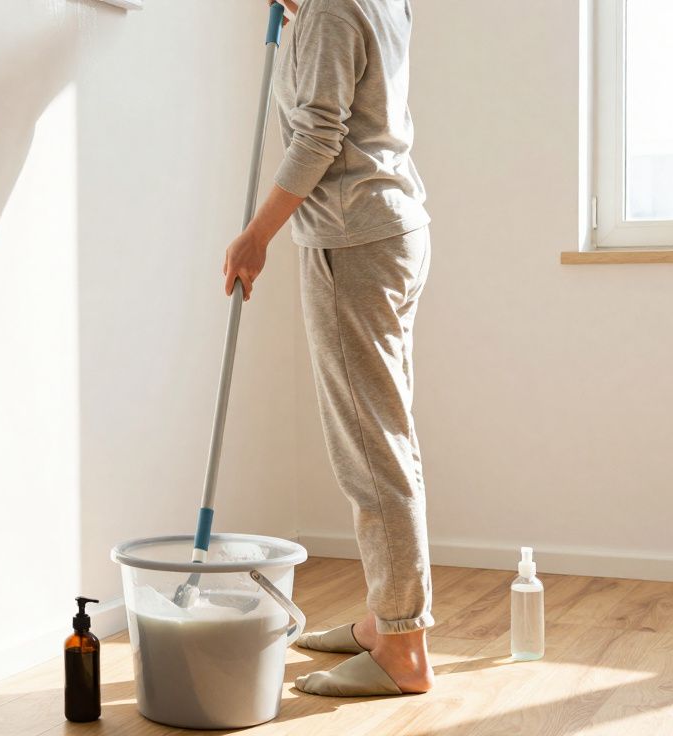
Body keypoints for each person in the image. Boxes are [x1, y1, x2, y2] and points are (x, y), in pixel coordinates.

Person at [224, 0, 435, 697]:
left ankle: (403, 647)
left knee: (370, 449)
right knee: (384, 438)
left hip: (352, 240)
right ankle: (386, 619)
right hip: (394, 229)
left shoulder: (329, 11)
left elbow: (317, 137)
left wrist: (256, 235)